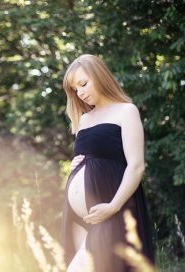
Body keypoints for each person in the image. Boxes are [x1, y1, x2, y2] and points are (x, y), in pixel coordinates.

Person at [60, 54, 155, 271]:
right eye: (75, 89)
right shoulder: (84, 120)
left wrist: (113, 206)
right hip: (78, 217)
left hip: (111, 210)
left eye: (83, 84)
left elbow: (136, 166)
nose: (80, 92)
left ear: (100, 76)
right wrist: (75, 168)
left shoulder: (126, 111)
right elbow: (90, 158)